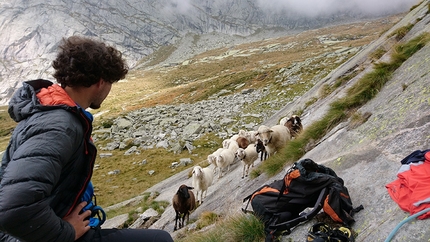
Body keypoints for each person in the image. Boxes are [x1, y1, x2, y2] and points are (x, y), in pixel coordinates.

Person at [0, 36, 173, 242]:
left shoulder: (54, 111)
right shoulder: (59, 125)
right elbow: (12, 208)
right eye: (111, 82)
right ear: (100, 82)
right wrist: (67, 232)